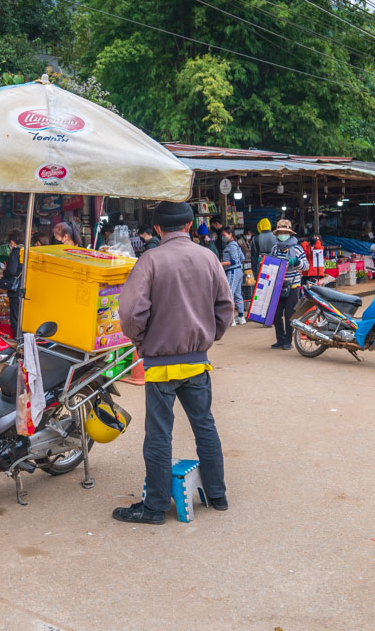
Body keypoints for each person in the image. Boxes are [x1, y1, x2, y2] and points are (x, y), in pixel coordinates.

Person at [115, 201, 234, 524]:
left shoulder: (149, 260)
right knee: (205, 427)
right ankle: (218, 495)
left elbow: (129, 313)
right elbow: (226, 308)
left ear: (157, 229)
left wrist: (141, 342)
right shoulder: (208, 257)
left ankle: (154, 507)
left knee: (158, 435)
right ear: (190, 225)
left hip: (160, 364)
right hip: (197, 362)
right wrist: (208, 336)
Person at [269, 220, 308, 350]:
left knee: (290, 315)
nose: (283, 234)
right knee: (276, 314)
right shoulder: (274, 249)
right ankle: (280, 339)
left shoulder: (296, 248)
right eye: (280, 232)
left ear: (290, 234)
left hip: (293, 286)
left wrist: (296, 262)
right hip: (278, 286)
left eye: (285, 232)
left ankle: (288, 341)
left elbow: (306, 266)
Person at [219, 226, 246, 325]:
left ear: (230, 235)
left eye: (224, 235)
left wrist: (222, 264)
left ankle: (231, 319)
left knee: (229, 294)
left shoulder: (231, 245)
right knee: (238, 295)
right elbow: (242, 257)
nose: (222, 237)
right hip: (238, 271)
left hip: (233, 271)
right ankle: (241, 317)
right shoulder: (235, 244)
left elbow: (235, 260)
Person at [1, 228, 24, 336]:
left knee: (15, 318)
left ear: (12, 242)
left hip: (16, 290)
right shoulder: (26, 250)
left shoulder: (16, 251)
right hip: (24, 289)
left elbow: (12, 270)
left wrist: (5, 272)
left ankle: (18, 343)